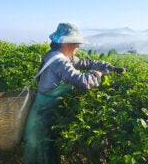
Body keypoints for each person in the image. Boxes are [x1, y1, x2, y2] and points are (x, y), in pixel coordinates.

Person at [22, 23, 125, 164]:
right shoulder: (59, 61)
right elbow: (82, 81)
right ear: (66, 43)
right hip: (42, 114)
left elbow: (84, 63)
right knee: (40, 147)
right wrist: (99, 73)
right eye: (76, 43)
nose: (78, 47)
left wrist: (107, 66)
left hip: (47, 112)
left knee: (48, 146)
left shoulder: (60, 55)